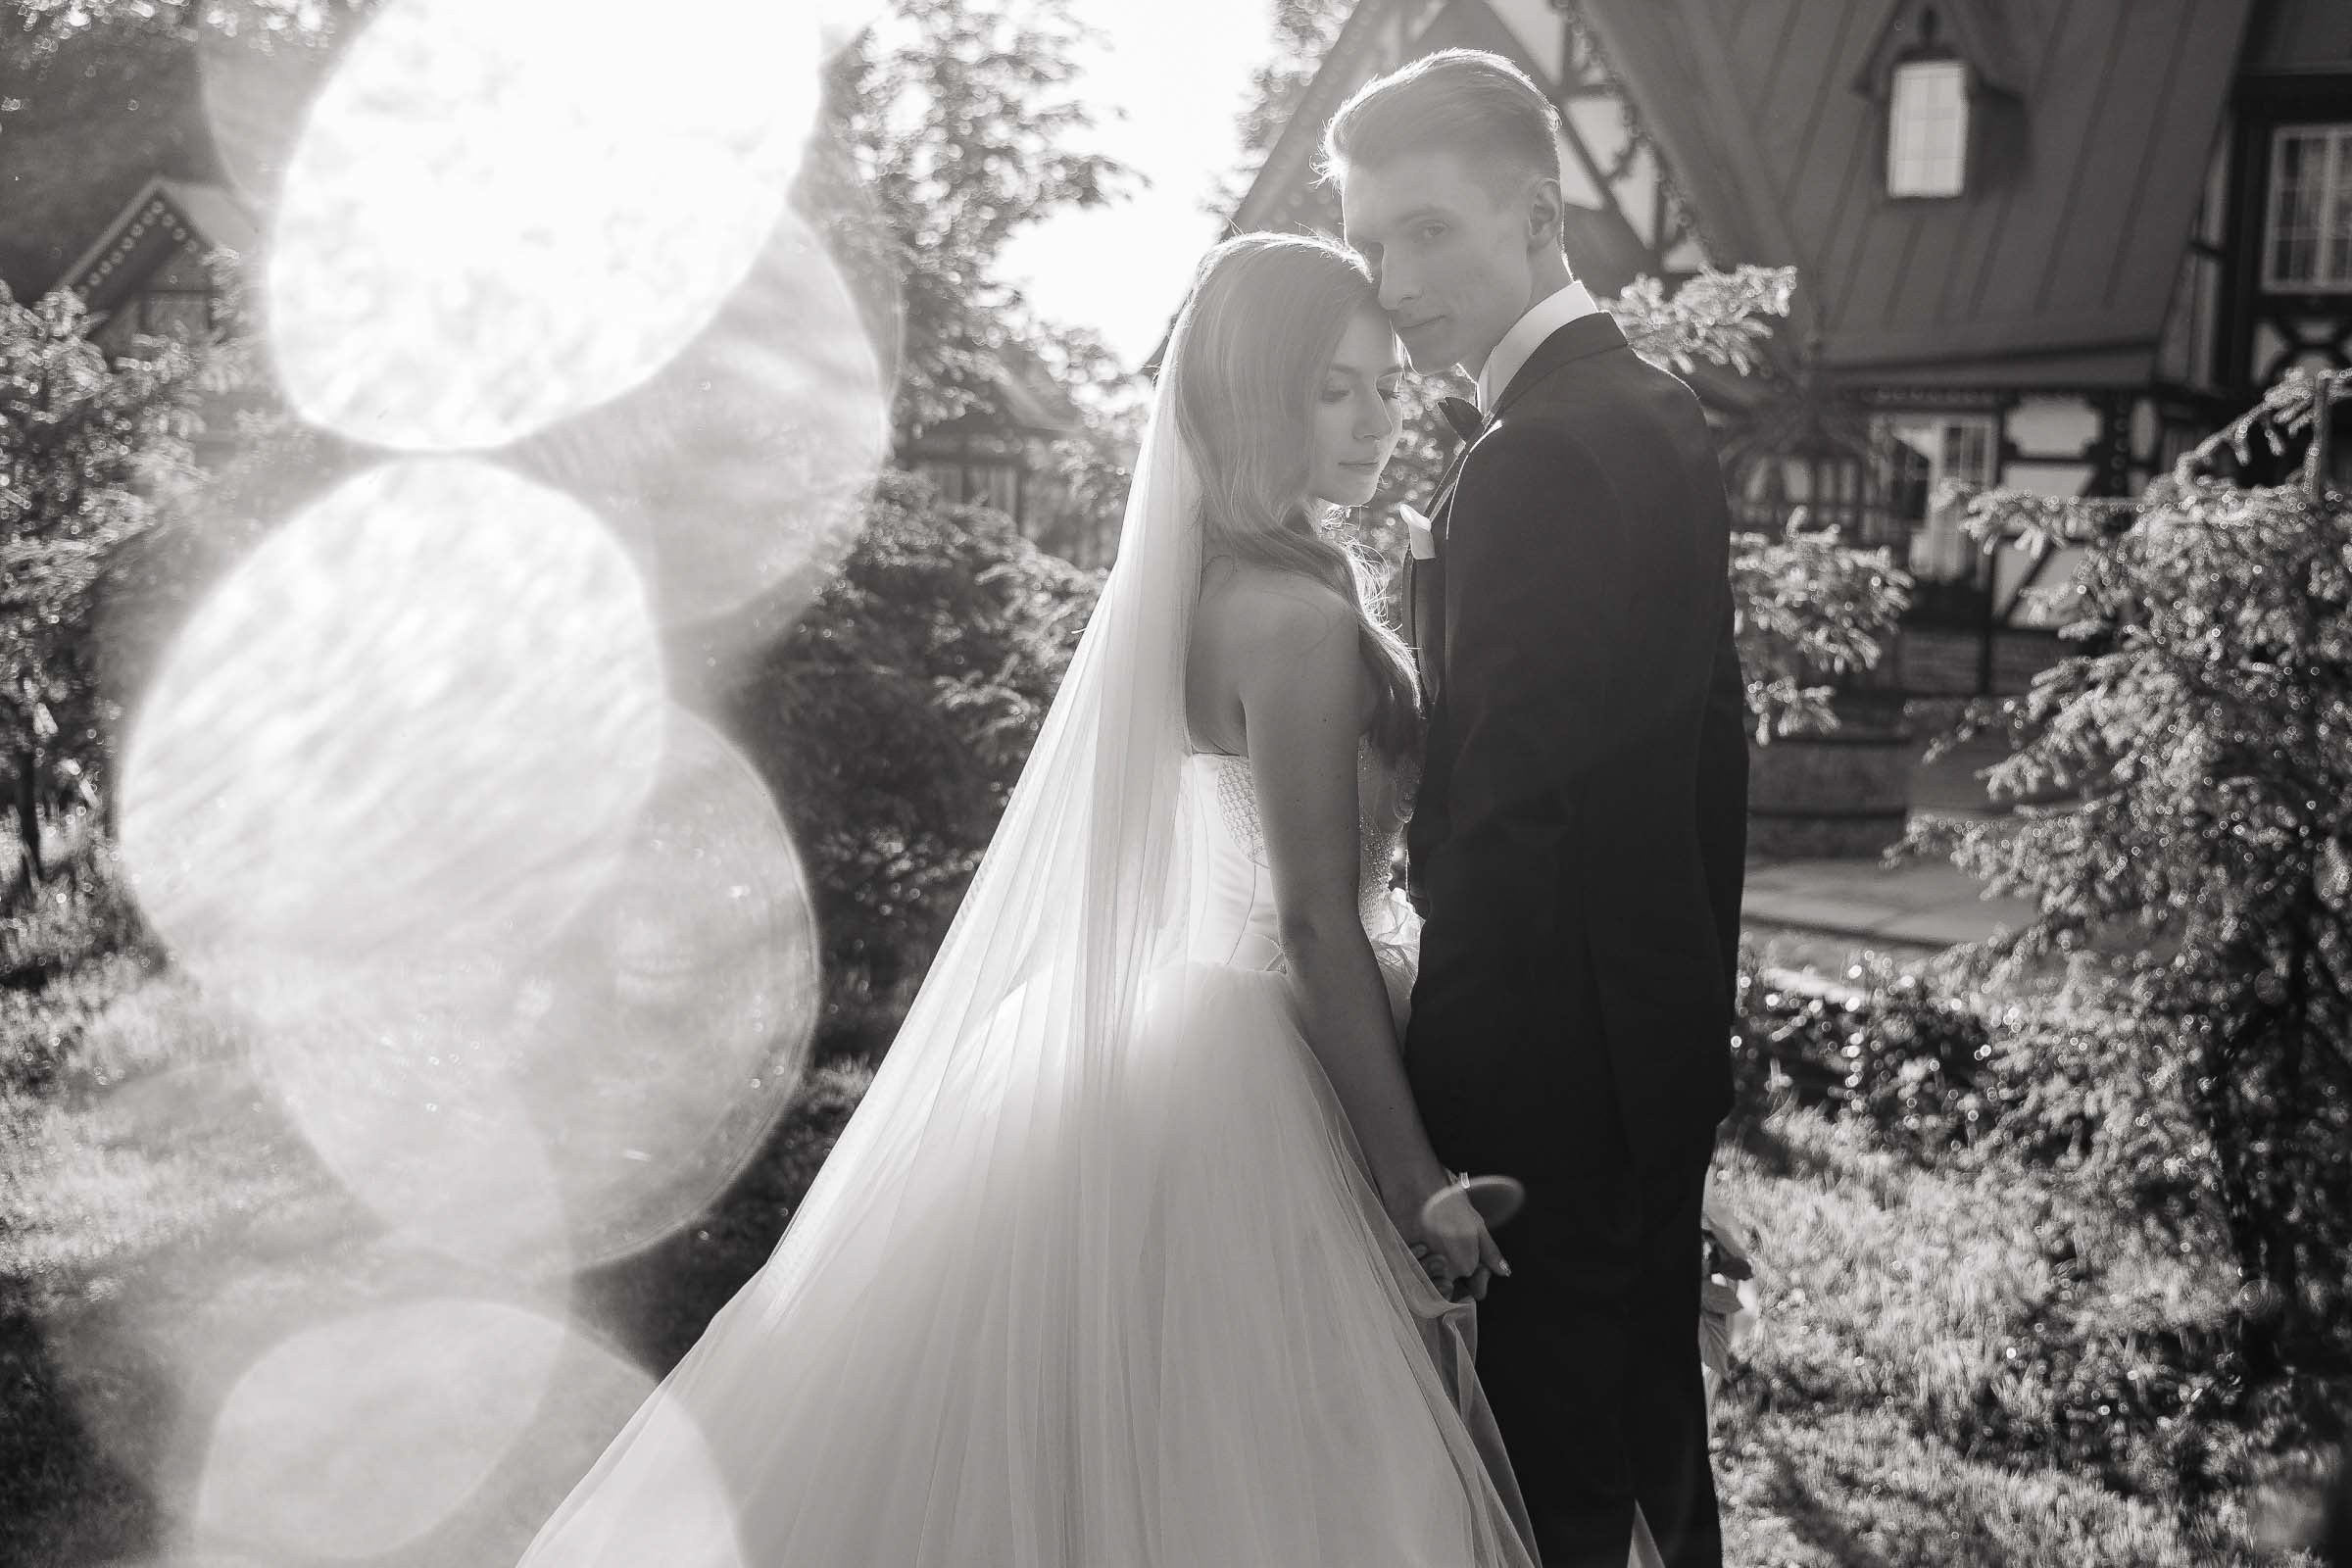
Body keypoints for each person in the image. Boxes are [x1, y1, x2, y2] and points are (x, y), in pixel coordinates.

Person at [513, 232, 1539, 1567]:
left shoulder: (1217, 587)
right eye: (1332, 389)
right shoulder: (1293, 618)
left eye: (1387, 385)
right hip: (1278, 1053)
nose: (1376, 421)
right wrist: (1411, 1182)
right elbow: (1308, 919)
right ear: (1252, 399)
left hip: (1184, 1036)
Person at [1329, 47, 1750, 1568]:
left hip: (1542, 1090)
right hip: (1643, 1050)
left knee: (1547, 1493)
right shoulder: (1652, 408)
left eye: (1429, 231)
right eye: (1371, 244)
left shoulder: (1539, 458)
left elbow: (1508, 828)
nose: (1393, 283)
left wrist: (1435, 1130)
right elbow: (1711, 764)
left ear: (1537, 219)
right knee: (1642, 1462)